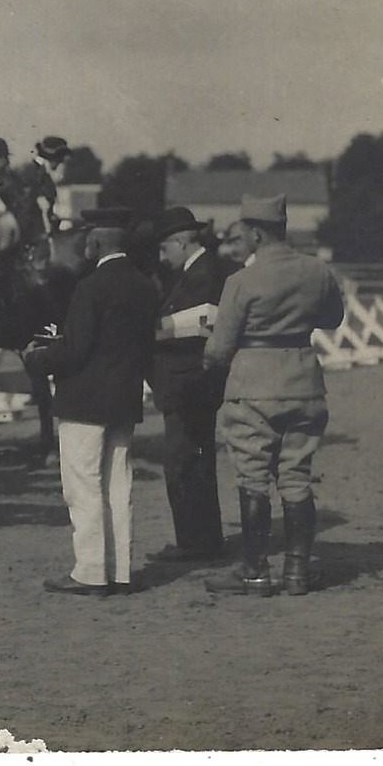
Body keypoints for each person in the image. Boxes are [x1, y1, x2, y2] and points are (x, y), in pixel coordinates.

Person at [201, 194, 346, 597]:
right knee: (297, 478)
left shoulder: (241, 281)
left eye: (242, 234)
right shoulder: (317, 270)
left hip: (252, 388)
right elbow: (333, 319)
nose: (239, 241)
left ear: (255, 233)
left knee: (253, 479)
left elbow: (219, 350)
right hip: (303, 382)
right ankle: (297, 572)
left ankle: (255, 572)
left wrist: (207, 350)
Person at [22, 207, 160, 595]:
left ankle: (90, 572)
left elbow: (77, 350)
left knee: (83, 487)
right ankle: (119, 571)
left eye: (86, 236)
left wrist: (38, 357)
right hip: (123, 398)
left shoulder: (90, 288)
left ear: (97, 241)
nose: (84, 242)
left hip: (84, 399)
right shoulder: (144, 286)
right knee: (118, 485)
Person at [147, 206, 231, 562]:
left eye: (164, 248)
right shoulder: (196, 271)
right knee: (193, 460)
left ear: (181, 242)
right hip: (192, 383)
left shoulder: (203, 273)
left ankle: (194, 542)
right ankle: (203, 538)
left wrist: (151, 331)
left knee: (183, 462)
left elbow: (205, 321)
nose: (161, 256)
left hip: (189, 383)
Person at [7, 135, 72, 239]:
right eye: (61, 157)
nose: (62, 162)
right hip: (32, 236)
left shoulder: (41, 171)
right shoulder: (31, 172)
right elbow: (24, 207)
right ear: (55, 156)